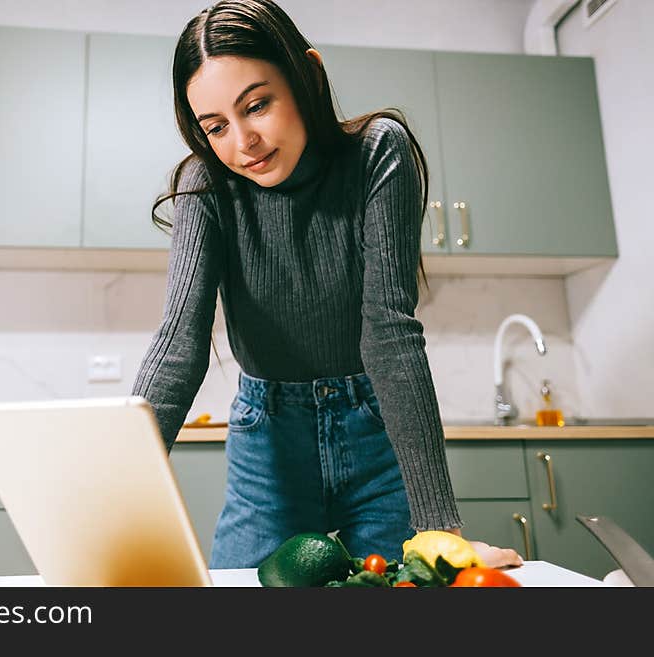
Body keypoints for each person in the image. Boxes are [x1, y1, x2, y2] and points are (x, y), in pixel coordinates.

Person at [132, 0, 521, 570]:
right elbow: (179, 340)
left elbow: (389, 331)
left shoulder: (376, 153)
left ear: (307, 75)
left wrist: (440, 530)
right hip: (268, 446)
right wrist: (109, 495)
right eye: (216, 127)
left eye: (257, 105)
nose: (244, 141)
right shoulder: (206, 182)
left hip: (376, 435)